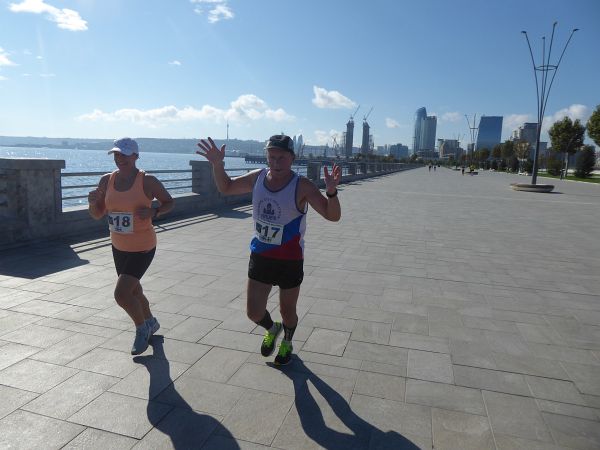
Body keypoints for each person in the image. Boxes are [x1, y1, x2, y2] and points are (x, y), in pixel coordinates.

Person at [196, 135, 341, 365]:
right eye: (271, 156)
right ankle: (272, 329)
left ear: (292, 158)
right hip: (261, 256)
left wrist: (331, 193)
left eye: (282, 156)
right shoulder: (258, 178)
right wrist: (217, 164)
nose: (276, 161)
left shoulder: (302, 185)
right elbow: (226, 187)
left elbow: (332, 216)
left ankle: (288, 342)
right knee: (253, 312)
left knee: (288, 311)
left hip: (290, 260)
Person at [88, 138, 174, 355]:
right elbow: (97, 214)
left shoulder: (148, 181)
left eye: (125, 155)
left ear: (136, 156)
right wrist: (91, 202)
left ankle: (141, 329)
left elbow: (169, 202)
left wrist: (154, 212)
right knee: (134, 290)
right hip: (118, 245)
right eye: (116, 155)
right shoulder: (106, 180)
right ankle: (151, 322)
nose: (120, 159)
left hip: (143, 246)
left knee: (122, 294)